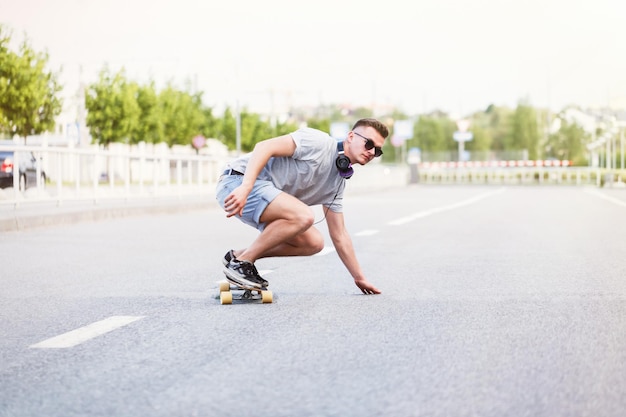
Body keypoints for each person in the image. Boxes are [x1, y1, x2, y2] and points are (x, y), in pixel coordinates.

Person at [216, 118, 389, 295]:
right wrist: (245, 187)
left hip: (262, 198)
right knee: (304, 216)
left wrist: (359, 278)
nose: (372, 152)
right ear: (351, 136)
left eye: (377, 151)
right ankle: (242, 264)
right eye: (369, 144)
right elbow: (263, 146)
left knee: (314, 243)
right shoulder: (319, 143)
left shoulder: (337, 185)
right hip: (237, 182)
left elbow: (340, 235)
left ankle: (237, 257)